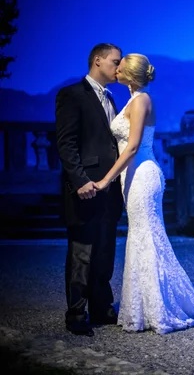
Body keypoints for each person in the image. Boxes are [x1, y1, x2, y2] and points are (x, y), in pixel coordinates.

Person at [93, 53, 194, 334]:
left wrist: (105, 179)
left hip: (143, 173)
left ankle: (159, 308)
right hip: (132, 176)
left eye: (120, 68)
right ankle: (144, 308)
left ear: (130, 75)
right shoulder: (133, 100)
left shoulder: (142, 100)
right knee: (140, 236)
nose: (116, 71)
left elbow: (133, 147)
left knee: (147, 235)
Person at [55, 43, 124, 336]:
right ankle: (76, 313)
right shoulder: (71, 95)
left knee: (106, 249)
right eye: (115, 62)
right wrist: (80, 180)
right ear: (98, 61)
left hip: (109, 188)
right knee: (82, 251)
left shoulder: (111, 98)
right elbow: (66, 144)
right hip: (85, 187)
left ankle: (101, 306)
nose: (119, 68)